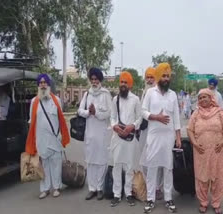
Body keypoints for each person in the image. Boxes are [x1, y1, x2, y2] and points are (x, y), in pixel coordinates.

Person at [140, 63, 182, 213]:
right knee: (152, 167)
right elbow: (143, 111)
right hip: (153, 136)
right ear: (158, 77)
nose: (165, 78)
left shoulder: (173, 95)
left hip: (168, 137)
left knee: (168, 168)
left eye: (167, 76)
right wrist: (156, 117)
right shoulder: (150, 93)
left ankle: (168, 198)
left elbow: (176, 117)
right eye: (163, 76)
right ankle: (150, 199)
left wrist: (178, 137)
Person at [25, 74, 70, 199]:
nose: (43, 85)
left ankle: (56, 187)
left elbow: (61, 119)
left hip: (55, 137)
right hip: (41, 138)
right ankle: (45, 189)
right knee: (44, 164)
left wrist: (62, 136)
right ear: (38, 85)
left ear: (49, 85)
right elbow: (31, 121)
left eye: (45, 83)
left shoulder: (56, 100)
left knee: (56, 163)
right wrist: (32, 139)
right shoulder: (34, 102)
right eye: (41, 83)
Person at [187, 88, 223, 214]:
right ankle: (203, 202)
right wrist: (194, 143)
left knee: (217, 177)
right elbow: (190, 129)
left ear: (211, 98)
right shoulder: (196, 113)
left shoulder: (219, 112)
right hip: (200, 151)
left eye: (204, 97)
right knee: (202, 178)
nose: (202, 100)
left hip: (217, 150)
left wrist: (222, 141)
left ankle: (216, 203)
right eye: (200, 98)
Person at [78, 68, 112, 201]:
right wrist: (88, 112)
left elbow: (109, 113)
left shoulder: (105, 94)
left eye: (96, 79)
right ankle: (91, 188)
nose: (94, 82)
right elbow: (80, 110)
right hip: (90, 134)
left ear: (100, 80)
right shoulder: (87, 94)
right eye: (92, 79)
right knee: (91, 161)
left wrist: (96, 113)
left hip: (102, 134)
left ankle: (99, 188)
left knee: (101, 161)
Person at [110, 71, 142, 207]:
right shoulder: (115, 99)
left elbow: (139, 117)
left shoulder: (135, 99)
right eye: (121, 82)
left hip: (130, 137)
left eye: (125, 82)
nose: (123, 84)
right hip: (117, 137)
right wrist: (114, 126)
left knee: (129, 166)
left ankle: (128, 193)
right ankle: (117, 194)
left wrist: (132, 126)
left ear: (130, 85)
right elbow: (112, 117)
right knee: (116, 165)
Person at [139, 67, 164, 200]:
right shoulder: (144, 92)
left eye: (151, 77)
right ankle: (150, 186)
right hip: (144, 131)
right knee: (144, 161)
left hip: (157, 131)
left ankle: (157, 188)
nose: (149, 80)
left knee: (158, 161)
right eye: (147, 77)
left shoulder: (160, 93)